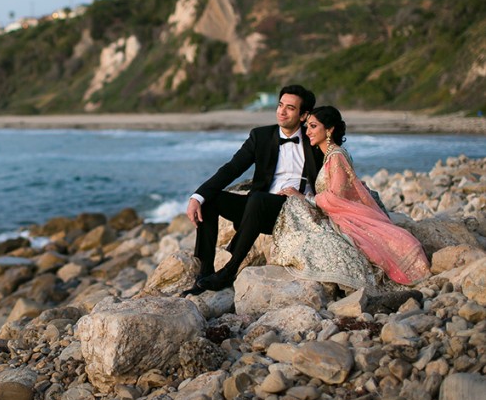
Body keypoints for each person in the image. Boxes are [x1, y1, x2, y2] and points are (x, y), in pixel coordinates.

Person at [182, 84, 324, 297]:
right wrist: (197, 196)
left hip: (293, 210)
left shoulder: (313, 139)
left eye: (290, 108)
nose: (281, 111)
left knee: (258, 199)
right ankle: (204, 273)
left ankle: (230, 270)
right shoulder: (261, 136)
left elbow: (332, 175)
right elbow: (232, 169)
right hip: (258, 210)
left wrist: (307, 197)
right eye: (280, 105)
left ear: (304, 115)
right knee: (210, 200)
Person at [272, 106, 431, 289]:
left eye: (313, 126)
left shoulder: (336, 156)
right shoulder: (332, 155)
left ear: (329, 129)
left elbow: (337, 196)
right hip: (338, 212)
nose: (307, 132)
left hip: (343, 215)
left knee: (295, 206)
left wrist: (304, 198)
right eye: (307, 127)